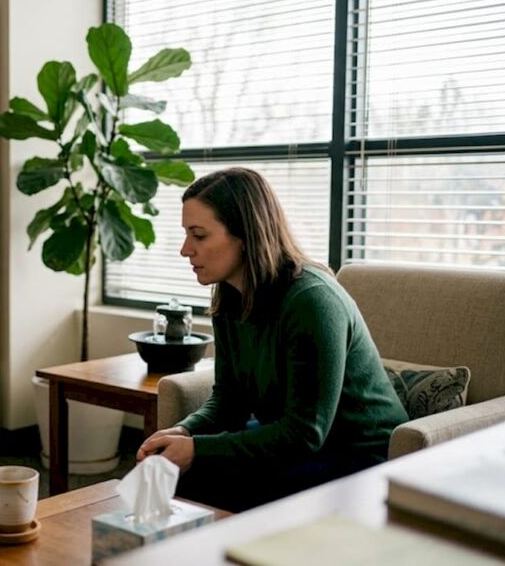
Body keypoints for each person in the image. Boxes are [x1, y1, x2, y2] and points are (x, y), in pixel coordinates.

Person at [137, 167, 408, 512]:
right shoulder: (230, 297)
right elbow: (229, 400)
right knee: (173, 474)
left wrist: (200, 450)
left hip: (360, 454)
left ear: (246, 235)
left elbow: (306, 432)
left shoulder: (312, 301)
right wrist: (184, 433)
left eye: (199, 235)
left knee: (214, 482)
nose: (185, 250)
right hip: (294, 442)